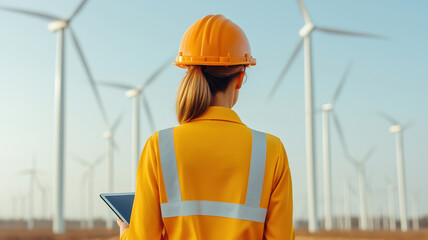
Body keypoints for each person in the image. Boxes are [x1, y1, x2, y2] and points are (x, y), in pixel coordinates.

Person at [118, 14, 295, 240]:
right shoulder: (271, 150)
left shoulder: (159, 147)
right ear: (240, 77)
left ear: (189, 71)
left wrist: (126, 233)